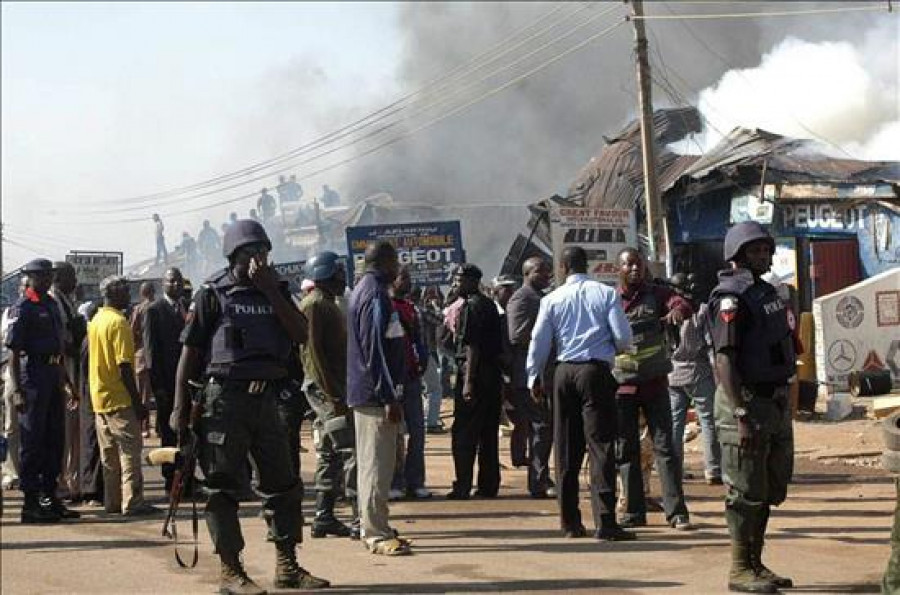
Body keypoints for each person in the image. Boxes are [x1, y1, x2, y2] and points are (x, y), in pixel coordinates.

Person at [172, 219, 329, 593]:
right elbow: (189, 354)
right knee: (222, 486)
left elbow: (301, 335)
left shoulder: (276, 292)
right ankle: (231, 570)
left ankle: (287, 565)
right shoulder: (212, 294)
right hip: (224, 400)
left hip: (268, 400)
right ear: (233, 257)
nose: (259, 259)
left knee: (283, 483)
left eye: (263, 252)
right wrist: (179, 407)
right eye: (250, 253)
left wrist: (271, 291)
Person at [708, 221, 796, 593]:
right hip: (744, 405)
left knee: (770, 487)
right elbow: (724, 361)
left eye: (765, 249)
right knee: (744, 491)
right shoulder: (731, 298)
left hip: (772, 403)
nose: (763, 255)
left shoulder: (766, 293)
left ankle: (757, 563)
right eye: (754, 251)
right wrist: (741, 414)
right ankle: (740, 568)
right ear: (737, 255)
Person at [528, 247, 635, 541]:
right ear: (585, 266)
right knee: (600, 446)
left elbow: (539, 341)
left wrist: (533, 377)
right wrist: (616, 350)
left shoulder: (551, 299)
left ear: (563, 268)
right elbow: (624, 337)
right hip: (595, 372)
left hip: (563, 373)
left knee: (565, 449)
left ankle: (570, 523)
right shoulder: (606, 294)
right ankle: (605, 522)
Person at [613, 248, 693, 532]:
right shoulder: (611, 300)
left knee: (665, 449)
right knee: (626, 450)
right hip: (622, 388)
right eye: (628, 265)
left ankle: (677, 512)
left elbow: (682, 305)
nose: (635, 269)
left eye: (638, 264)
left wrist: (676, 311)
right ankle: (634, 512)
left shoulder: (656, 294)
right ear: (618, 269)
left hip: (655, 385)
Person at [346, 240, 411, 555]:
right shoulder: (373, 294)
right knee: (376, 466)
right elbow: (376, 352)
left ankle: (374, 524)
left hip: (373, 394)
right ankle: (376, 533)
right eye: (396, 261)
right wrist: (389, 396)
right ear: (386, 262)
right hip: (375, 397)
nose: (399, 268)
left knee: (376, 464)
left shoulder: (369, 290)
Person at [5, 259, 81, 523]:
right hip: (32, 377)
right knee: (32, 442)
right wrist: (16, 390)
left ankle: (51, 497)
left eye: (50, 275)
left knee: (54, 440)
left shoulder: (50, 304)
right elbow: (14, 353)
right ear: (31, 277)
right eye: (43, 276)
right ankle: (30, 503)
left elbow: (59, 349)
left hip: (53, 375)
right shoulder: (23, 308)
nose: (48, 279)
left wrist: (68, 383)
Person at [88, 275, 158, 517]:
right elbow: (124, 366)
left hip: (100, 398)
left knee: (109, 456)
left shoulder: (96, 320)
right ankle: (133, 502)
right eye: (125, 290)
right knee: (129, 452)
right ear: (113, 292)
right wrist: (138, 403)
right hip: (119, 398)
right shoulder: (119, 323)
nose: (129, 294)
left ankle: (113, 502)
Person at [300, 251, 357, 539]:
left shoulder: (329, 304)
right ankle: (358, 516)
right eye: (337, 273)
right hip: (326, 390)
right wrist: (333, 395)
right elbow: (313, 355)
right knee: (350, 449)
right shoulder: (314, 305)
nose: (342, 279)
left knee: (331, 453)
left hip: (335, 388)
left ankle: (325, 516)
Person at [446, 264, 504, 500]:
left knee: (464, 434)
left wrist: (468, 382)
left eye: (460, 280)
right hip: (492, 377)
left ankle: (462, 486)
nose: (456, 284)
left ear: (472, 281)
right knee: (488, 433)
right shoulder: (489, 305)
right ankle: (489, 485)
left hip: (474, 375)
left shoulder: (472, 306)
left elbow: (471, 346)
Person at [506, 257, 555, 498]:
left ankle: (541, 477)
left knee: (544, 429)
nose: (546, 274)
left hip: (542, 373)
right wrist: (547, 336)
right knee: (541, 428)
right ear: (527, 273)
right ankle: (538, 481)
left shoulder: (540, 297)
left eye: (547, 270)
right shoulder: (522, 297)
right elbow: (517, 335)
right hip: (528, 376)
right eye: (540, 270)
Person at [667, 274, 721, 485]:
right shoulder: (701, 310)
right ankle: (713, 469)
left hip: (672, 373)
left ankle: (674, 470)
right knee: (708, 420)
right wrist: (717, 372)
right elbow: (709, 344)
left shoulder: (667, 311)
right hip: (698, 371)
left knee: (674, 423)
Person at [389, 266, 431, 500]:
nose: (407, 282)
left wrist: (421, 364)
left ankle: (416, 481)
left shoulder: (413, 310)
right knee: (394, 434)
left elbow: (420, 341)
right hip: (393, 379)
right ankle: (395, 481)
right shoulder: (384, 306)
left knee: (417, 431)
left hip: (412, 378)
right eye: (403, 277)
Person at [143, 269, 185, 494]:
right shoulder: (154, 311)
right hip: (166, 384)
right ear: (163, 284)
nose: (176, 284)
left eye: (178, 280)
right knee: (169, 432)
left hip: (185, 383)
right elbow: (150, 353)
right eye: (171, 281)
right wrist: (156, 387)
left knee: (186, 432)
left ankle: (184, 476)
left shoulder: (185, 308)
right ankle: (171, 479)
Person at [49, 262, 85, 501]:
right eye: (71, 277)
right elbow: (61, 341)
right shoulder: (54, 302)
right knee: (63, 428)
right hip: (63, 370)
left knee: (73, 429)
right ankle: (60, 480)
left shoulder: (66, 301)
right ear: (59, 278)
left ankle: (72, 479)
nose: (76, 282)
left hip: (72, 368)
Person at [1, 276, 28, 491]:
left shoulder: (46, 309)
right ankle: (12, 472)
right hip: (12, 373)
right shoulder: (11, 313)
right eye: (24, 286)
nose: (27, 290)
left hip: (36, 373)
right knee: (12, 425)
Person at [419, 285, 447, 434]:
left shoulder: (397, 308)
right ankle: (431, 422)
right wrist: (436, 306)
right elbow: (441, 319)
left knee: (420, 389)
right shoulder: (421, 311)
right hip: (424, 353)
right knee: (434, 388)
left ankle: (423, 419)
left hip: (407, 356)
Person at [130, 282, 156, 438]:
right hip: (157, 357)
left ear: (141, 293)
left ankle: (143, 426)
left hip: (141, 356)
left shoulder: (138, 309)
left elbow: (132, 331)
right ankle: (157, 427)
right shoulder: (159, 307)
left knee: (142, 395)